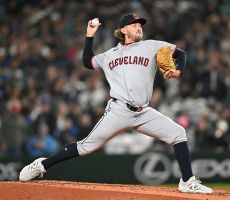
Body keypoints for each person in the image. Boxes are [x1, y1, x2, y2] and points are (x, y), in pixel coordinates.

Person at [19, 13, 213, 194]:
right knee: (85, 147)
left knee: (178, 133)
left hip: (143, 112)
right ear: (123, 30)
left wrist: (177, 70)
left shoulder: (153, 45)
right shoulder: (109, 54)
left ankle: (187, 181)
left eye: (140, 25)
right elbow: (87, 62)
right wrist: (89, 35)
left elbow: (181, 54)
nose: (139, 28)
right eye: (134, 25)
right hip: (119, 110)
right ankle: (42, 165)